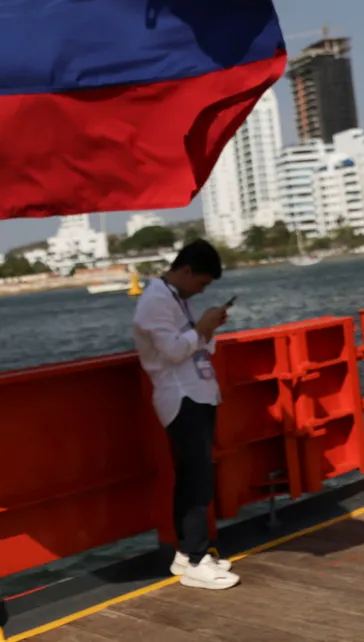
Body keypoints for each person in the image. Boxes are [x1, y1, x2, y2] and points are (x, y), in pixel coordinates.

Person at [132, 238, 239, 590]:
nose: (200, 290)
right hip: (180, 396)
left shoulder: (176, 297)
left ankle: (185, 555)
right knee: (196, 479)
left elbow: (196, 344)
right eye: (202, 283)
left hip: (198, 392)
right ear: (186, 270)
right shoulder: (155, 302)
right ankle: (195, 559)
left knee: (196, 475)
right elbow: (175, 351)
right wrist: (203, 327)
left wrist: (208, 326)